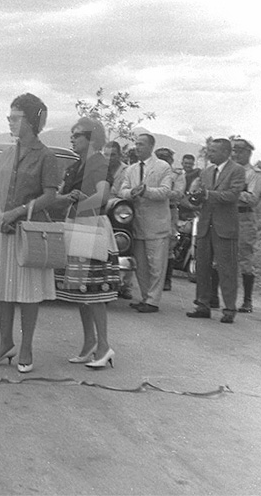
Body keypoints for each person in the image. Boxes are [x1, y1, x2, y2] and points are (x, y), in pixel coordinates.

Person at [0, 93, 59, 373]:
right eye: (9, 118)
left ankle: (26, 347)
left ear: (31, 121)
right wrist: (0, 214)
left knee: (28, 292)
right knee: (3, 289)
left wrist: (17, 212)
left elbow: (50, 196)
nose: (10, 122)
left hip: (30, 232)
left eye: (15, 118)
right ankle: (5, 344)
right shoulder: (7, 152)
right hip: (5, 229)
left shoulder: (46, 155)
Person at [53, 118, 119, 369]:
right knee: (81, 291)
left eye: (77, 135)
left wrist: (79, 202)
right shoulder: (76, 166)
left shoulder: (99, 162)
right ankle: (90, 342)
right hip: (77, 225)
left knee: (94, 291)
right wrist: (65, 199)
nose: (72, 138)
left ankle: (103, 346)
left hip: (91, 226)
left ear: (91, 138)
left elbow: (103, 196)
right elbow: (60, 194)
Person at [187, 138, 246, 323]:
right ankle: (203, 305)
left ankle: (229, 308)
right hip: (205, 225)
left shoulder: (237, 170)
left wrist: (207, 195)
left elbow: (233, 195)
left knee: (226, 269)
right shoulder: (205, 172)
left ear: (225, 152)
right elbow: (202, 197)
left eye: (213, 151)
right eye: (209, 150)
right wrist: (195, 197)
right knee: (202, 267)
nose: (209, 154)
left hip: (225, 227)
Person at [118, 134, 173, 313]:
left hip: (157, 224)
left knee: (156, 265)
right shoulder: (131, 169)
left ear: (151, 146)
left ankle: (153, 301)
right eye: (136, 144)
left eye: (141, 144)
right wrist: (131, 193)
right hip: (138, 224)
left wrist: (146, 191)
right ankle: (144, 297)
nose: (137, 147)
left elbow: (165, 192)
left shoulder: (163, 167)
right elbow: (122, 190)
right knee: (140, 264)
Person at [231, 139, 261, 313]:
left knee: (245, 258)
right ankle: (216, 298)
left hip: (244, 217)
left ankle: (247, 300)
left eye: (241, 151)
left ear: (249, 153)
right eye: (234, 151)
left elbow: (253, 198)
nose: (236, 154)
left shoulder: (254, 174)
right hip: (228, 216)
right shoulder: (229, 170)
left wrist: (233, 192)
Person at [103, 140, 133, 299]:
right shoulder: (98, 169)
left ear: (119, 155)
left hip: (121, 214)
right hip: (102, 211)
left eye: (112, 155)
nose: (109, 158)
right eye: (106, 155)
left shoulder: (127, 171)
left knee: (124, 245)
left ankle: (125, 285)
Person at [154, 147, 184, 292]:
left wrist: (159, 193)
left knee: (169, 244)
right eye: (160, 156)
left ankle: (167, 280)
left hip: (169, 209)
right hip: (150, 209)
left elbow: (178, 193)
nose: (163, 159)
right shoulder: (151, 170)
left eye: (166, 157)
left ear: (171, 160)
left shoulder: (177, 175)